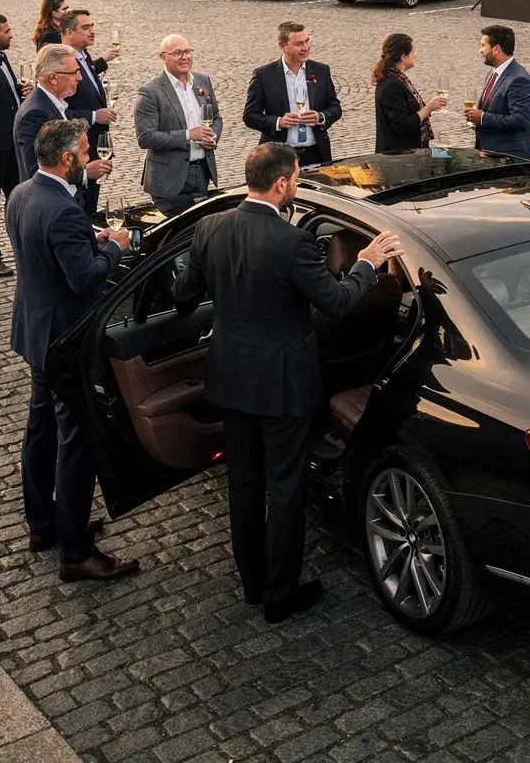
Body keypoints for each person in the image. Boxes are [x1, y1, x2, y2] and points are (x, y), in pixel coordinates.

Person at [172, 142, 403, 620]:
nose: (296, 184)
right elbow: (336, 303)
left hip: (230, 379)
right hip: (282, 388)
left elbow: (182, 297)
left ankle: (253, 585)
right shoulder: (292, 242)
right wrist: (367, 262)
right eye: (296, 178)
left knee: (244, 484)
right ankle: (281, 596)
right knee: (285, 488)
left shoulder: (209, 228)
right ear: (281, 184)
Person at [7, 118, 138, 580]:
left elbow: (45, 251)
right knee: (76, 440)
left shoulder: (22, 192)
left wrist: (89, 239)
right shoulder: (62, 208)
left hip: (34, 330)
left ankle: (44, 524)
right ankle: (76, 552)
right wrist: (115, 247)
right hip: (65, 340)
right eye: (84, 152)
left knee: (40, 428)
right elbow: (84, 278)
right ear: (67, 159)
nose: (89, 157)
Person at [135, 35, 222, 215]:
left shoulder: (203, 81)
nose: (185, 57)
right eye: (177, 53)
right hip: (168, 180)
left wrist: (212, 136)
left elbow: (216, 118)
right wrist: (189, 135)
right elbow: (146, 137)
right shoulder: (150, 92)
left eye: (188, 51)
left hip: (202, 173)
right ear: (163, 57)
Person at [14, 45, 113, 192]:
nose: (79, 78)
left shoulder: (58, 103)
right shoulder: (34, 114)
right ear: (53, 78)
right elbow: (36, 173)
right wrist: (84, 174)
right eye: (74, 73)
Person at [243, 21, 341, 167]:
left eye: (307, 41)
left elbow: (335, 108)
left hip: (316, 153)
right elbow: (250, 116)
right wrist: (278, 122)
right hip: (279, 156)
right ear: (282, 46)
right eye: (298, 44)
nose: (305, 48)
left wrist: (320, 117)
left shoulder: (321, 71)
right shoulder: (264, 75)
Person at [60, 11, 119, 216]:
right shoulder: (63, 62)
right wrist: (94, 116)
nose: (92, 31)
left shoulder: (85, 56)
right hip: (75, 153)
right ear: (69, 32)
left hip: (93, 148)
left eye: (92, 26)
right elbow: (58, 111)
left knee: (90, 208)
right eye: (85, 28)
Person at [0, 15, 31, 278]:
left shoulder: (2, 58)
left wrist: (19, 89)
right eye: (7, 31)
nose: (11, 34)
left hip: (11, 144)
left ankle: (24, 250)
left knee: (18, 198)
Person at [463, 26, 530, 161]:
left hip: (509, 158)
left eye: (483, 45)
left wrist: (482, 117)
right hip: (489, 153)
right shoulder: (493, 73)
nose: (480, 50)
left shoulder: (519, 80)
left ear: (496, 49)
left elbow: (520, 120)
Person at [372, 34, 447, 152]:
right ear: (403, 57)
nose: (415, 56)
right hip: (399, 155)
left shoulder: (398, 79)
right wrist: (427, 109)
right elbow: (402, 125)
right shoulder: (392, 85)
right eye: (412, 52)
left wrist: (429, 108)